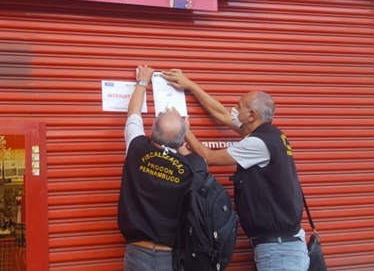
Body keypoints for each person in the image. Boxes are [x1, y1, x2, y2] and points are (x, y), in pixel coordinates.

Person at [162, 69, 310, 271]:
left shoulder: (259, 143)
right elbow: (222, 114)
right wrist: (190, 86)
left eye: (239, 106)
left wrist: (182, 128)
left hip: (280, 252)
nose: (234, 109)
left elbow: (207, 156)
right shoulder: (272, 135)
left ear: (251, 115)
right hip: (282, 246)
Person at [117, 65, 206, 271]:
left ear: (151, 130)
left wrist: (143, 81)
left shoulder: (136, 147)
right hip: (171, 257)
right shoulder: (193, 166)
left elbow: (133, 114)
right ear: (183, 139)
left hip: (137, 253)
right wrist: (184, 133)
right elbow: (191, 156)